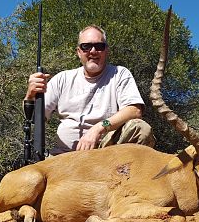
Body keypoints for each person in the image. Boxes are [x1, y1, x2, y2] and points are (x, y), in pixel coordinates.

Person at [24, 25, 155, 155]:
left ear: (106, 50)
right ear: (78, 52)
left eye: (99, 46)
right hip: (63, 156)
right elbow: (35, 118)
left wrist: (99, 128)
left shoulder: (119, 74)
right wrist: (30, 95)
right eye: (86, 46)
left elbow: (134, 110)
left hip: (105, 153)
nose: (93, 51)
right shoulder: (62, 79)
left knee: (140, 129)